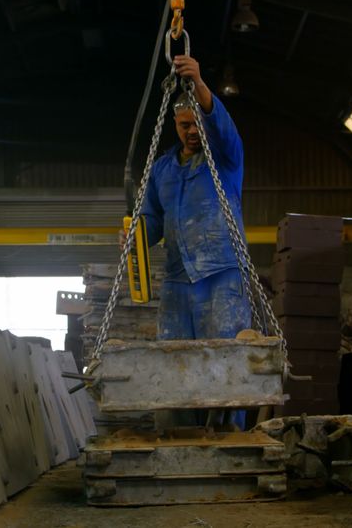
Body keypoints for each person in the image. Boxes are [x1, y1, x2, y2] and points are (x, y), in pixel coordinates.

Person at [137, 54, 251, 431]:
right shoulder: (162, 170)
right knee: (173, 359)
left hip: (221, 274)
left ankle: (228, 434)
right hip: (177, 279)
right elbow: (153, 220)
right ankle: (178, 435)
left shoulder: (226, 161)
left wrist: (201, 84)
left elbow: (225, 131)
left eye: (197, 124)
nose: (190, 131)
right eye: (184, 125)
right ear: (174, 124)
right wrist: (135, 234)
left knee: (225, 359)